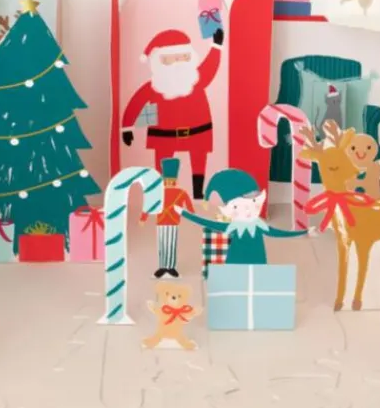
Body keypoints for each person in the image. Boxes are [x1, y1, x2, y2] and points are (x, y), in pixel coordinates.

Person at [121, 27, 224, 199]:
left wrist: (216, 46)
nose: (177, 62)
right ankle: (162, 195)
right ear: (158, 62)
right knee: (163, 163)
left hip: (198, 132)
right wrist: (127, 127)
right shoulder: (154, 86)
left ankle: (198, 194)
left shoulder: (196, 79)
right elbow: (136, 103)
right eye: (170, 59)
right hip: (164, 136)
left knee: (199, 160)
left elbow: (210, 67)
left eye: (183, 57)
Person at [178, 169, 306, 264]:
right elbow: (206, 223)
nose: (249, 211)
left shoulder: (259, 226)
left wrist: (304, 232)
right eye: (239, 207)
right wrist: (183, 213)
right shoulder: (233, 226)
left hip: (258, 264)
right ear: (230, 209)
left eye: (254, 203)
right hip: (235, 265)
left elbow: (279, 233)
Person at [140, 158, 193, 279]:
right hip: (162, 222)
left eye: (171, 180)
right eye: (167, 180)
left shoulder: (179, 192)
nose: (169, 182)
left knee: (171, 244)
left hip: (172, 222)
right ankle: (163, 266)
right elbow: (150, 205)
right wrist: (143, 217)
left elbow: (189, 207)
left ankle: (170, 267)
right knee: (163, 244)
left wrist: (192, 215)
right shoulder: (161, 192)